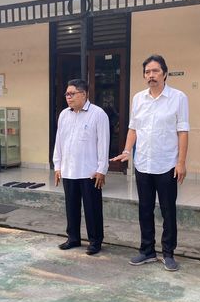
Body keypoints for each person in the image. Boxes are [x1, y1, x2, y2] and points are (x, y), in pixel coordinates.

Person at [111, 55, 189, 271]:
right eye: (147, 72)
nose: (151, 75)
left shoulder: (178, 98)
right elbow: (133, 128)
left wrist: (181, 162)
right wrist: (127, 150)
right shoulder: (138, 99)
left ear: (165, 73)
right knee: (144, 209)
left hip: (167, 164)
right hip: (143, 163)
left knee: (168, 210)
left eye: (155, 71)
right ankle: (147, 250)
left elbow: (183, 132)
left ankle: (168, 253)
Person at [53, 79, 110, 255]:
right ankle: (73, 238)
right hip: (69, 170)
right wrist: (57, 165)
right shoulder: (64, 115)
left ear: (84, 94)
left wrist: (102, 169)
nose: (68, 97)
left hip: (90, 172)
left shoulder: (98, 114)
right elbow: (59, 142)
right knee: (71, 207)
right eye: (66, 94)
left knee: (92, 208)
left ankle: (95, 241)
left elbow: (103, 143)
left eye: (72, 94)